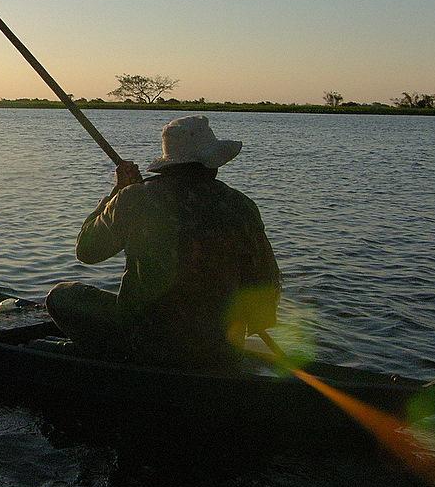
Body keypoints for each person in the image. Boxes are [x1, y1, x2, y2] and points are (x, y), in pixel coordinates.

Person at [45, 115, 280, 367]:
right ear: (212, 164)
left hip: (146, 343)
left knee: (60, 297)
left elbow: (87, 251)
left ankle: (106, 358)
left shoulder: (134, 198)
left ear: (169, 164)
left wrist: (118, 193)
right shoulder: (240, 205)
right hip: (220, 349)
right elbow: (266, 282)